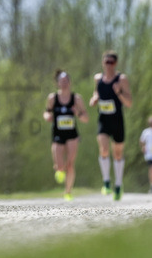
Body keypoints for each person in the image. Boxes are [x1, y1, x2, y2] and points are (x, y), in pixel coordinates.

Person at [89, 50, 132, 200]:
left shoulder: (122, 79)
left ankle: (118, 184)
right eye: (106, 62)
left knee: (118, 153)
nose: (109, 65)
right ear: (103, 63)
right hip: (103, 120)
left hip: (117, 120)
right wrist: (94, 99)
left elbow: (129, 102)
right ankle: (106, 182)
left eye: (111, 62)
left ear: (116, 63)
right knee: (104, 149)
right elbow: (96, 93)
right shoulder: (98, 79)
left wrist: (119, 93)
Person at [43, 70, 89, 201]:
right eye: (61, 82)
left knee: (70, 164)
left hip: (72, 135)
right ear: (57, 83)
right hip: (57, 134)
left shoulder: (77, 98)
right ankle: (59, 169)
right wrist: (48, 117)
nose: (64, 84)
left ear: (70, 82)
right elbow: (46, 112)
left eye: (66, 81)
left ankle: (68, 191)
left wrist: (78, 113)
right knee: (59, 165)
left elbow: (86, 118)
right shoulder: (52, 98)